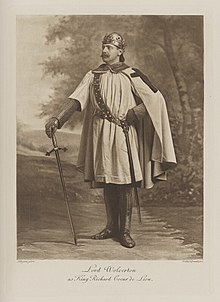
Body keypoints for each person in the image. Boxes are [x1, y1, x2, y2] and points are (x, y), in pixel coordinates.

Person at [45, 32, 176, 248]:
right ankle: (111, 227)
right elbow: (76, 99)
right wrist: (57, 119)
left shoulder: (132, 74)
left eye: (109, 47)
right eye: (103, 46)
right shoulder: (93, 75)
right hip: (101, 135)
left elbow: (157, 100)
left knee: (124, 182)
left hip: (123, 133)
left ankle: (124, 232)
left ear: (120, 51)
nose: (105, 50)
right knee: (108, 181)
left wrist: (136, 112)